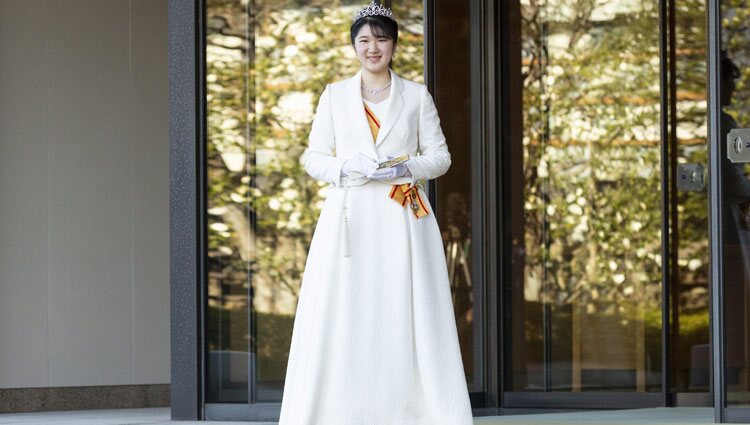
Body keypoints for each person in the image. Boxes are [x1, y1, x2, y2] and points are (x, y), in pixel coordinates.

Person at [277, 2, 474, 424]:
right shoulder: (334, 96)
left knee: (403, 308)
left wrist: (407, 167)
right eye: (364, 40)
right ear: (353, 46)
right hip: (349, 219)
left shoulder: (416, 95)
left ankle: (415, 410)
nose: (373, 47)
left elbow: (440, 158)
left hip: (402, 216)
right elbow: (313, 158)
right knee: (349, 308)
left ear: (394, 45)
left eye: (381, 38)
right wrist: (346, 167)